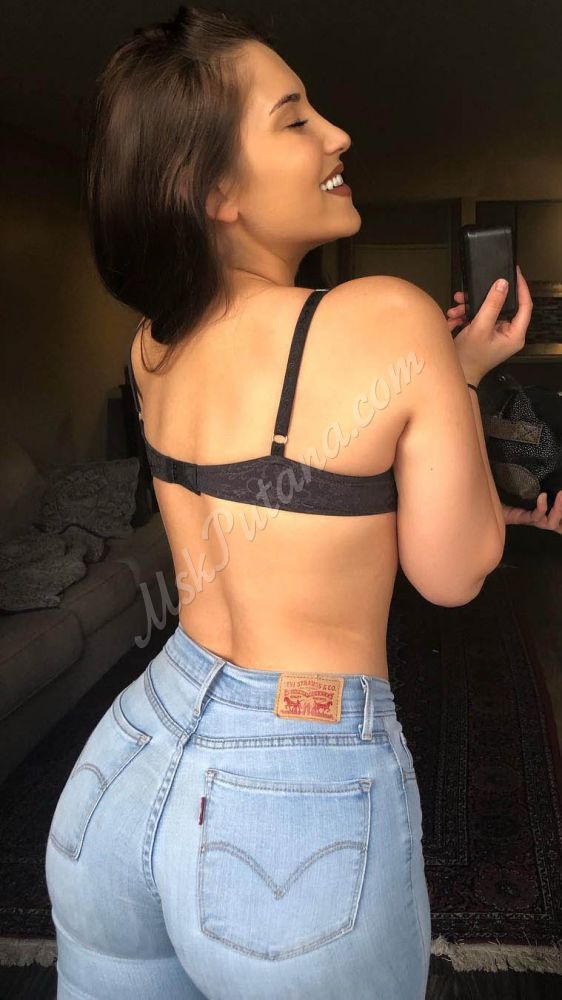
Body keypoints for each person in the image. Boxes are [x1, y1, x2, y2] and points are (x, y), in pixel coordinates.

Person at [44, 6, 547, 1000]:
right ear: (215, 192)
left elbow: (301, 481)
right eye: (296, 119)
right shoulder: (389, 317)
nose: (338, 135)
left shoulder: (152, 344)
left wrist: (438, 375)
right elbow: (454, 571)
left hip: (128, 762)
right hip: (290, 799)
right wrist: (457, 381)